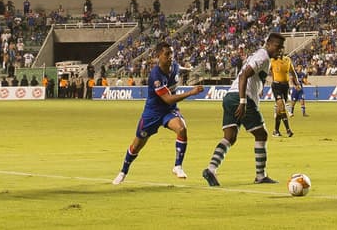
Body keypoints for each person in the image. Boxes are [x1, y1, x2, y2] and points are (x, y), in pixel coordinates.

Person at [112, 42, 204, 185]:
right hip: (152, 113)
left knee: (181, 128)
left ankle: (178, 166)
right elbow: (167, 99)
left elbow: (180, 68)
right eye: (167, 54)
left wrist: (189, 69)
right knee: (137, 145)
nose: (170, 57)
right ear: (158, 56)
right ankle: (123, 171)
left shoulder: (174, 66)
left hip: (169, 111)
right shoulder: (155, 76)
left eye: (171, 53)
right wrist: (191, 92)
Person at [202, 32, 285, 187]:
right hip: (241, 98)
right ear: (268, 44)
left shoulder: (260, 56)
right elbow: (243, 76)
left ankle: (211, 169)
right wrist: (243, 101)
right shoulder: (263, 57)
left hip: (229, 97)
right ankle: (261, 176)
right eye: (277, 46)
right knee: (261, 134)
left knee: (230, 137)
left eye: (281, 47)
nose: (280, 50)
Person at [269, 50, 294, 137]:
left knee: (279, 110)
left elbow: (292, 72)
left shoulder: (287, 60)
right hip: (276, 85)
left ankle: (276, 131)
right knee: (282, 106)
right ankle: (288, 130)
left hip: (285, 86)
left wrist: (296, 83)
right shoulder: (272, 61)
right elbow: (266, 72)